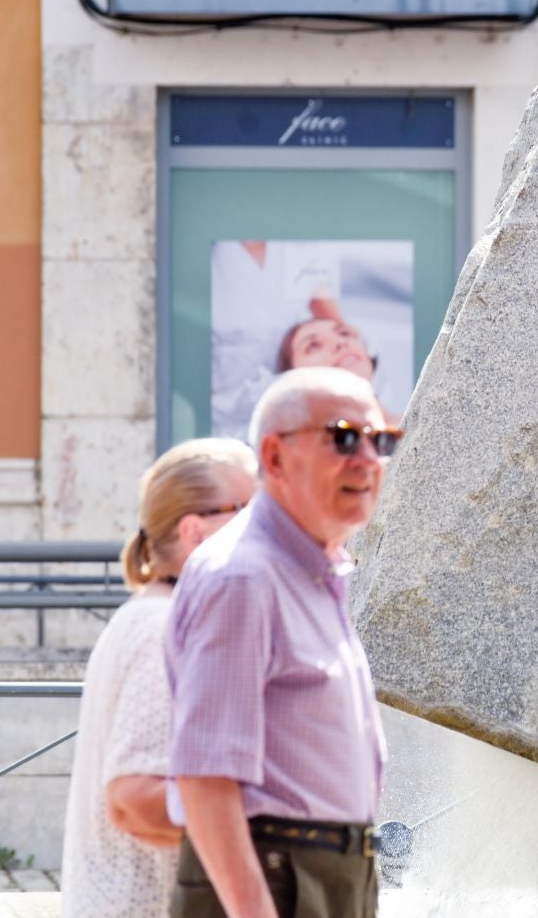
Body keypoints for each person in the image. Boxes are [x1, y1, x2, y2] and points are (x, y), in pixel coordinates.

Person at [166, 367, 399, 918]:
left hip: (325, 871)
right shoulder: (243, 579)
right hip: (275, 874)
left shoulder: (310, 571)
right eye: (343, 437)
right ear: (274, 457)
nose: (367, 458)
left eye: (381, 439)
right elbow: (205, 777)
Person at [60, 438, 257, 918]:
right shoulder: (160, 628)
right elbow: (133, 799)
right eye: (250, 510)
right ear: (194, 532)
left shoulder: (161, 616)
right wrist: (269, 820)